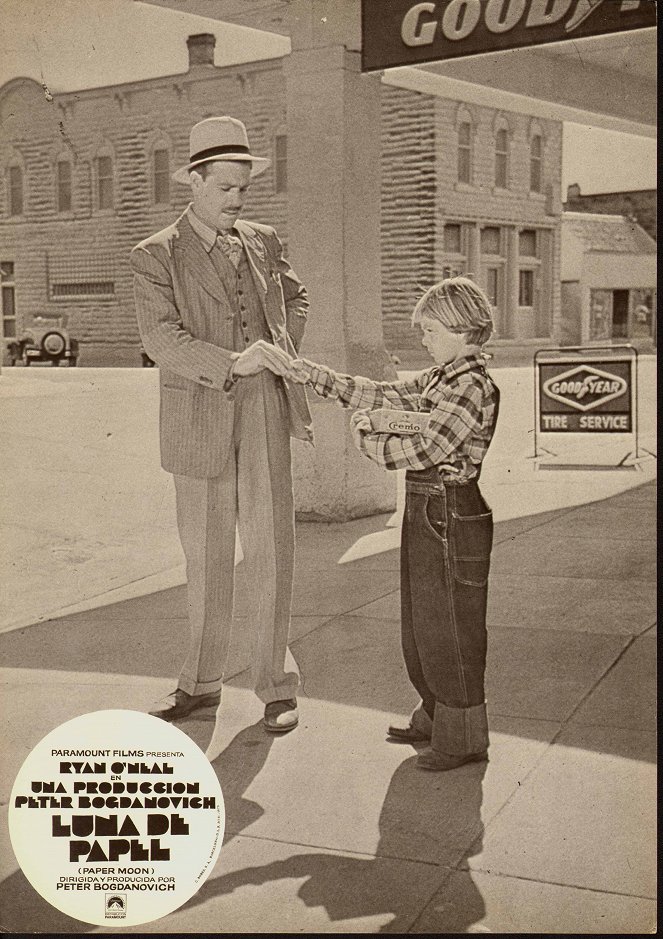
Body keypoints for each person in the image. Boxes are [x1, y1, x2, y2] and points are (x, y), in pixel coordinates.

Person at [130, 116, 311, 732]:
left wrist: (280, 343)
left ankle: (276, 686)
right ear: (195, 183)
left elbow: (296, 296)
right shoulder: (155, 253)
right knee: (205, 558)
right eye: (225, 188)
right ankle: (201, 685)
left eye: (243, 189)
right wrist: (233, 360)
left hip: (264, 408)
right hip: (198, 417)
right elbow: (159, 337)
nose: (237, 200)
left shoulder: (264, 240)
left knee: (272, 552)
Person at [287, 277, 500, 770]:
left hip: (453, 512)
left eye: (429, 329)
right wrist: (310, 374)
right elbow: (381, 393)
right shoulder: (440, 378)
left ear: (461, 327)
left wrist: (369, 436)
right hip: (430, 512)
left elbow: (427, 447)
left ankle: (464, 734)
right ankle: (435, 713)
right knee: (422, 624)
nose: (422, 339)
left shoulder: (470, 384)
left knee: (451, 628)